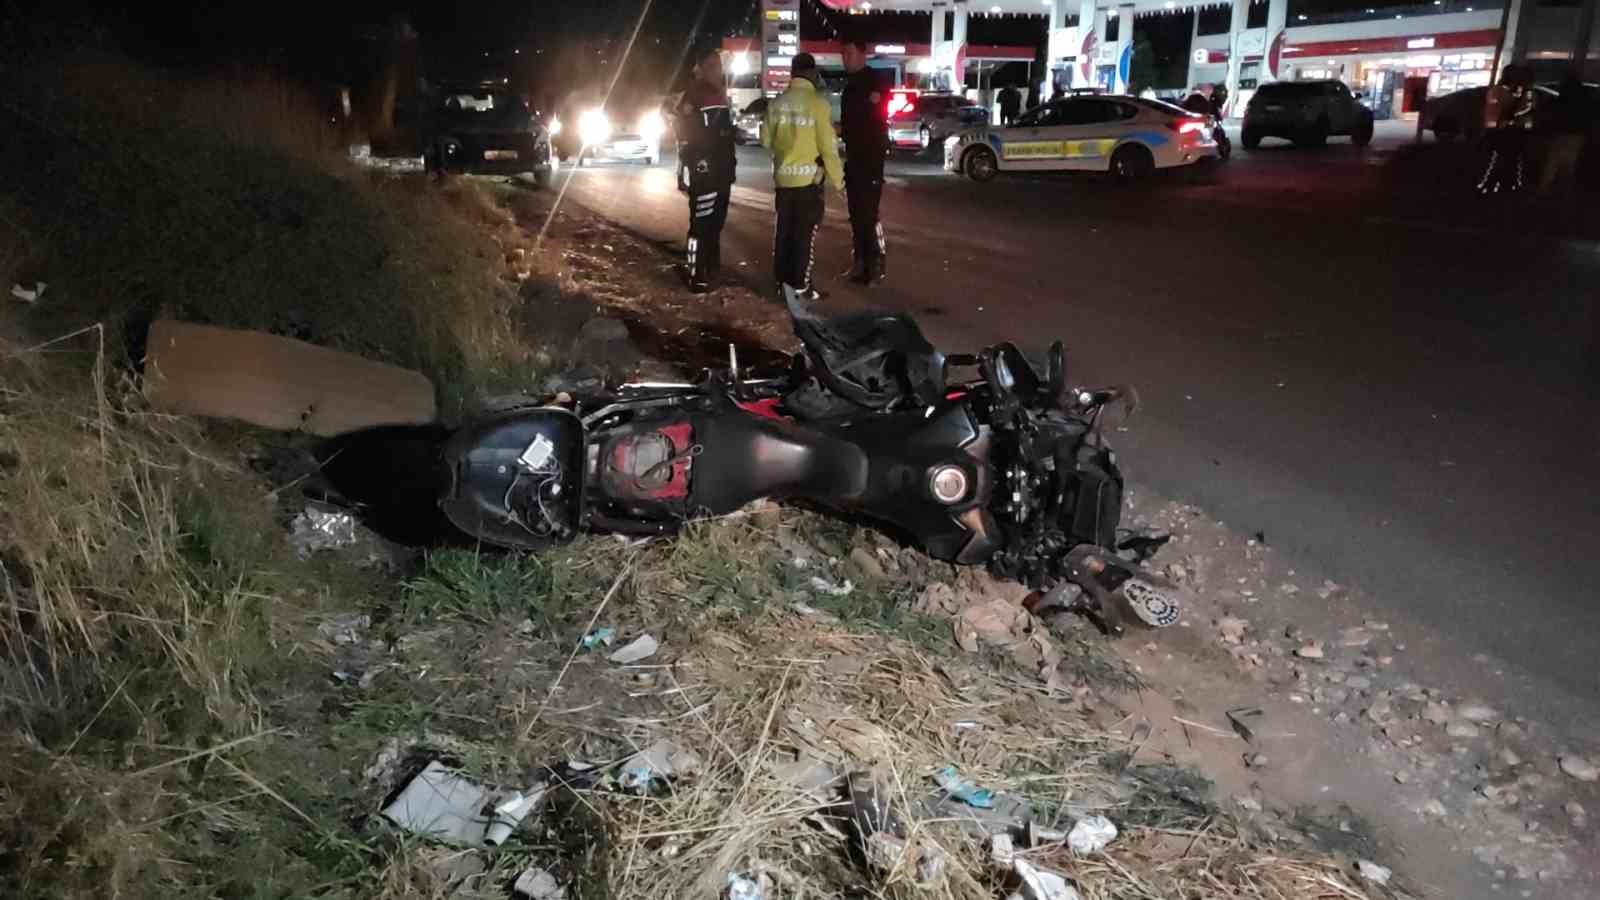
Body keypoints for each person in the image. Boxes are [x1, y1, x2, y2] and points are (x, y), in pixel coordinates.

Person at [763, 53, 844, 302]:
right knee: (803, 235)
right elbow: (828, 148)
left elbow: (766, 141)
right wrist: (839, 180)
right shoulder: (818, 105)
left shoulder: (777, 103)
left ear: (792, 72)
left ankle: (781, 283)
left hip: (784, 182)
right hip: (808, 182)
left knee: (784, 233)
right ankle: (800, 286)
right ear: (811, 72)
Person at [675, 51, 738, 293]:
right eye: (711, 65)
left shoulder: (719, 94)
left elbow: (722, 132)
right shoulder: (694, 95)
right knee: (701, 222)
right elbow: (687, 135)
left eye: (718, 66)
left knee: (716, 222)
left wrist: (732, 135)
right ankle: (696, 273)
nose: (716, 70)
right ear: (698, 68)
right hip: (706, 171)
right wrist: (698, 162)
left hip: (723, 170)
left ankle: (712, 269)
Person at [840, 38, 890, 286]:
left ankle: (874, 263)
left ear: (863, 54)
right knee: (856, 213)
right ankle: (859, 262)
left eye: (849, 53)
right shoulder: (849, 86)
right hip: (854, 159)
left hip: (870, 158)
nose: (845, 58)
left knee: (868, 214)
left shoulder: (875, 82)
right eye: (843, 54)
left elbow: (877, 118)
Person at [1537, 73, 1590, 217]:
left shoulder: (1559, 101)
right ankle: (1564, 194)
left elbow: (1549, 117)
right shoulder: (1584, 102)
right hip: (1576, 136)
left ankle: (1545, 192)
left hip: (1560, 135)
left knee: (1552, 164)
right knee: (1568, 165)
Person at [1478, 65, 1534, 195]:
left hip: (1505, 131)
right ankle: (1494, 185)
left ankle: (1495, 185)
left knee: (1504, 159)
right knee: (1503, 159)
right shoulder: (1507, 92)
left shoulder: (1504, 91)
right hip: (1505, 131)